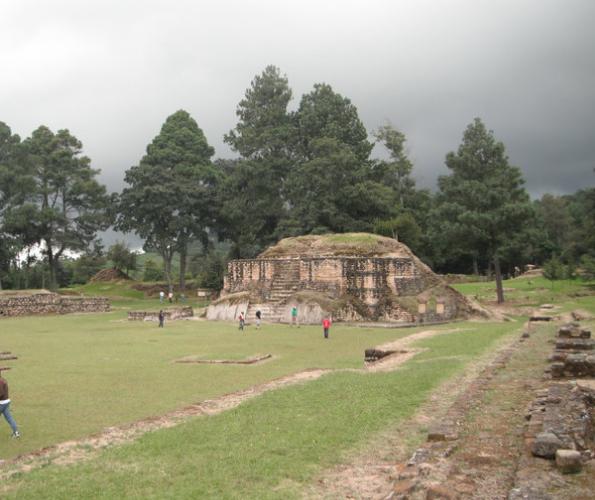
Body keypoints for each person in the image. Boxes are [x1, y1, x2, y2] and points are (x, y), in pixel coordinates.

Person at [0, 371, 20, 438]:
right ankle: (16, 433)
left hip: (1, 403)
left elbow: (1, 394)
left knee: (9, 418)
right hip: (6, 402)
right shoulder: (3, 380)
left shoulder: (0, 382)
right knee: (9, 418)